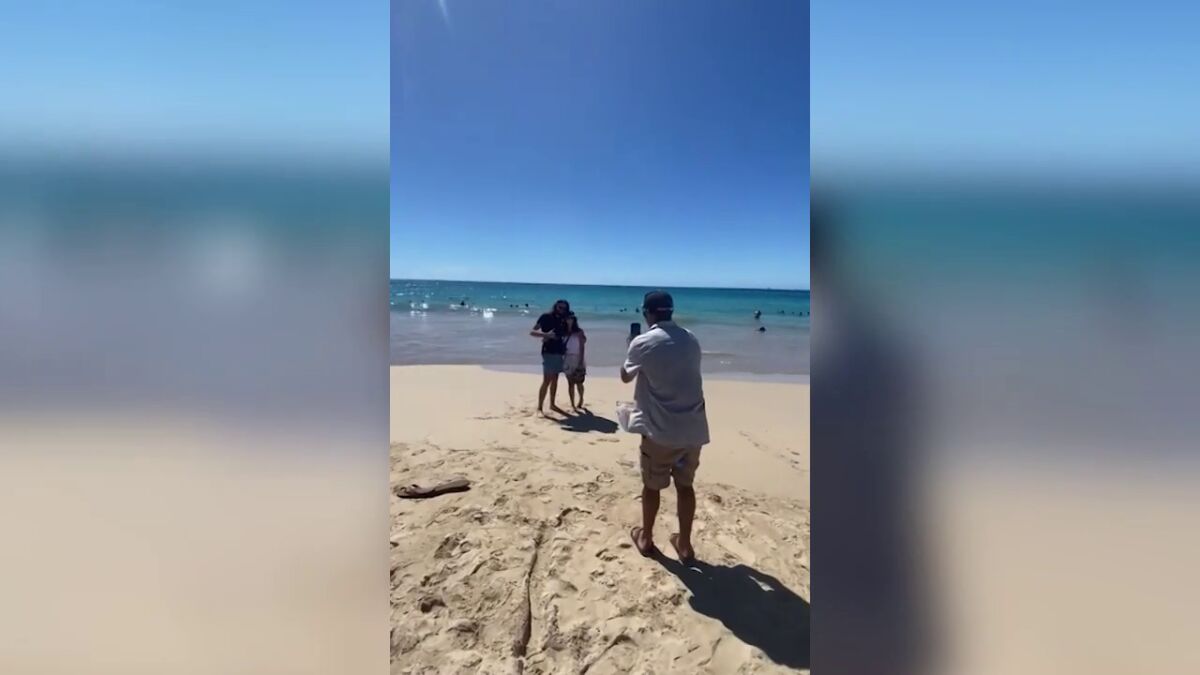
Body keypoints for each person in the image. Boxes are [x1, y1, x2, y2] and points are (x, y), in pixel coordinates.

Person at [620, 290, 710, 563]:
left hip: (660, 431)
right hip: (693, 429)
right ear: (671, 311)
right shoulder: (691, 339)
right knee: (685, 487)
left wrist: (631, 345)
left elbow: (625, 376)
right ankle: (685, 545)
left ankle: (646, 538)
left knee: (652, 486)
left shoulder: (643, 342)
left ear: (647, 313)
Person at [529, 299, 570, 415]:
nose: (561, 310)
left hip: (559, 352)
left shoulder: (564, 319)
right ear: (555, 306)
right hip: (548, 351)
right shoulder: (546, 317)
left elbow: (567, 334)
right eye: (560, 307)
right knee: (547, 380)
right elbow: (532, 331)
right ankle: (540, 407)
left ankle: (552, 403)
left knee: (555, 379)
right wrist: (546, 335)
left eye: (564, 308)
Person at [562, 312, 587, 410]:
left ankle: (581, 399)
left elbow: (582, 347)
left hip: (577, 357)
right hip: (567, 358)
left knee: (579, 382)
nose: (569, 320)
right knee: (570, 383)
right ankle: (572, 403)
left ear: (574, 319)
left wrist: (581, 360)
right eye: (567, 318)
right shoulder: (563, 332)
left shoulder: (579, 332)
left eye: (571, 318)